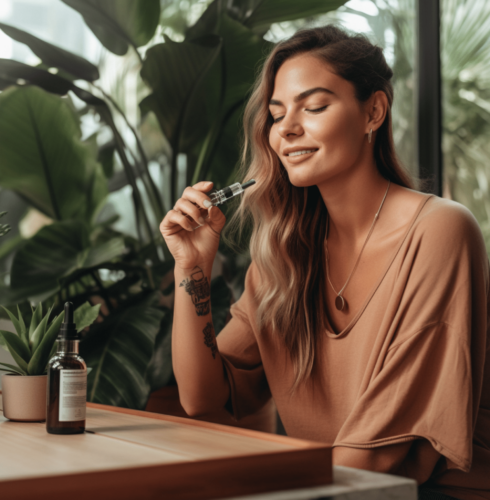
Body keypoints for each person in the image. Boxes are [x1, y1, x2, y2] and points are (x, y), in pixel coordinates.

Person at [160, 25, 490, 500]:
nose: (287, 129)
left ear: (373, 111)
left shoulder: (440, 231)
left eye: (313, 107)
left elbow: (379, 457)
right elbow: (204, 399)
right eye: (276, 115)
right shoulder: (284, 255)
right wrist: (190, 269)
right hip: (329, 490)